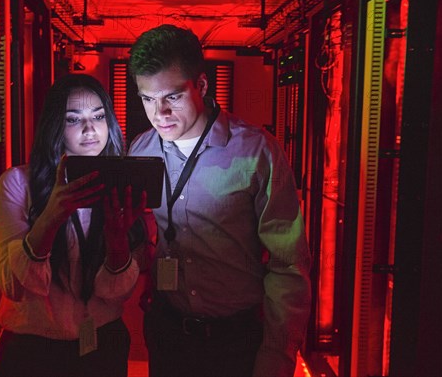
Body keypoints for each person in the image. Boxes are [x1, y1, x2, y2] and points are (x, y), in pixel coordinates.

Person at [128, 24, 312, 377]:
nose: (159, 113)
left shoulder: (257, 151)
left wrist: (278, 354)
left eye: (173, 96)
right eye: (147, 99)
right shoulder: (142, 149)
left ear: (201, 85)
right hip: (168, 333)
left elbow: (288, 264)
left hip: (237, 340)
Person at [0, 74, 147, 377]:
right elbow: (13, 286)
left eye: (99, 116)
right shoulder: (18, 184)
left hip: (102, 342)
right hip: (33, 350)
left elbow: (116, 293)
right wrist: (50, 218)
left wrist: (117, 240)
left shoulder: (120, 185)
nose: (90, 129)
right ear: (56, 127)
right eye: (74, 119)